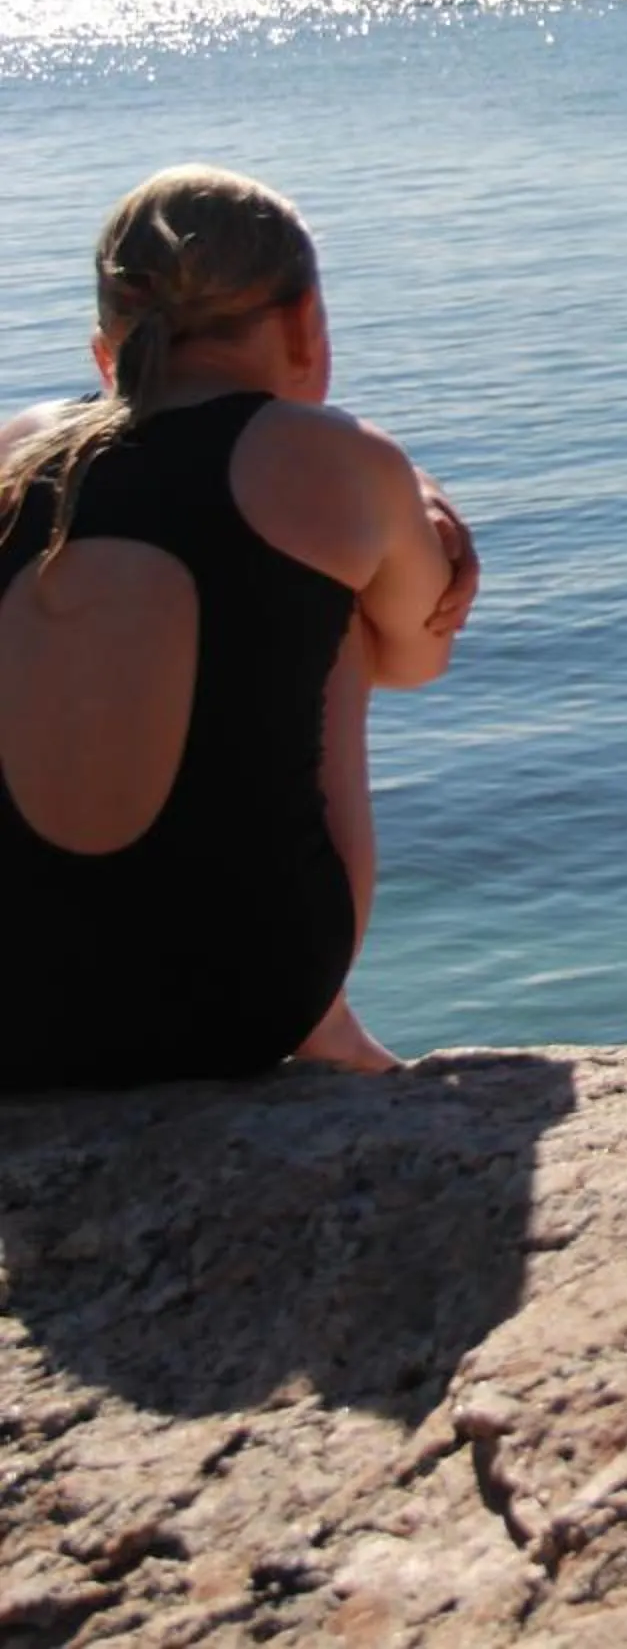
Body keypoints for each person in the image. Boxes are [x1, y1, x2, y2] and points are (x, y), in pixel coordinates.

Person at [0, 166, 477, 1088]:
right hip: (239, 1003)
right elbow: (415, 655)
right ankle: (327, 1023)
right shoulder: (335, 459)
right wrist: (418, 505)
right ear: (303, 324)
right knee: (333, 614)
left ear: (108, 353)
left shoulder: (20, 448)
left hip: (17, 1019)